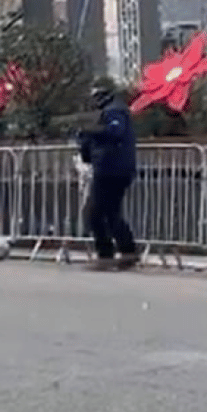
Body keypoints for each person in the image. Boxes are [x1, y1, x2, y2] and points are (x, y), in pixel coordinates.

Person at [77, 78, 139, 271]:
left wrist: (90, 132)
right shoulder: (108, 111)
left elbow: (114, 132)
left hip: (112, 168)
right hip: (111, 167)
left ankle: (106, 255)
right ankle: (127, 251)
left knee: (94, 214)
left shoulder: (115, 111)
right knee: (111, 213)